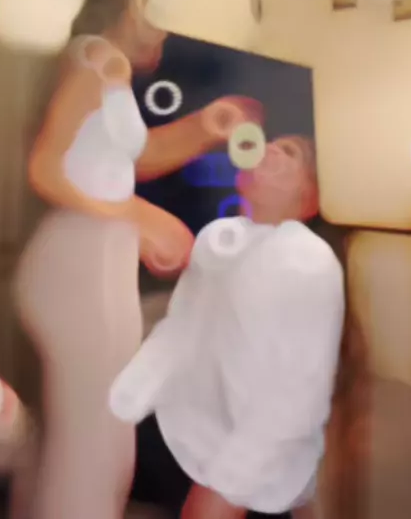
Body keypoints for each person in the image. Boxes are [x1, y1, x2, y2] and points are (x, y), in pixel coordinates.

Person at [13, 0, 261, 519]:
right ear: (130, 3)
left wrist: (203, 127)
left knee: (86, 444)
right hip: (78, 266)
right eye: (157, 8)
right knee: (97, 450)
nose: (166, 28)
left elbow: (130, 158)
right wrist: (136, 215)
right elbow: (45, 168)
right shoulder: (96, 61)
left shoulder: (107, 68)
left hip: (89, 262)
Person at [110, 138, 345, 519]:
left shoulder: (309, 262)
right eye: (270, 145)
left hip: (250, 479)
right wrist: (123, 405)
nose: (270, 150)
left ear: (309, 197)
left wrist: (225, 488)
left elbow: (296, 395)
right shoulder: (217, 239)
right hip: (181, 442)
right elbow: (181, 330)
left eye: (289, 154)